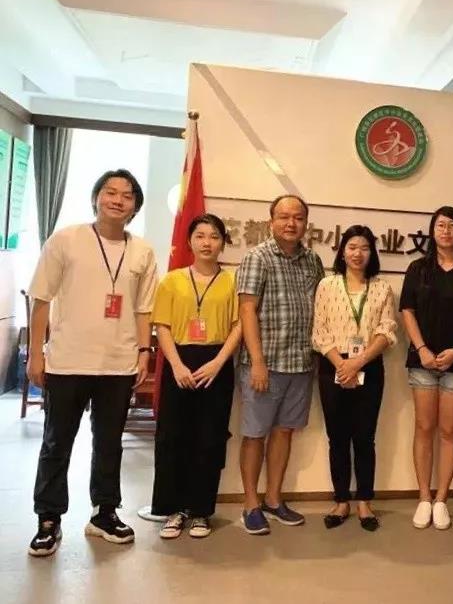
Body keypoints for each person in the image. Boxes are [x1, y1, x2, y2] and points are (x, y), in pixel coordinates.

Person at [26, 169, 158, 557]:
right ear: (97, 197)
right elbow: (41, 299)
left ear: (135, 206)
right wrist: (36, 353)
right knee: (57, 442)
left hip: (118, 363)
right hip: (67, 360)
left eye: (127, 195)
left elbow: (144, 309)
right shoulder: (66, 239)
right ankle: (48, 518)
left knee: (109, 443)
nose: (118, 200)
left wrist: (144, 352)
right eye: (110, 192)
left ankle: (104, 512)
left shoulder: (142, 252)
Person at [236, 194, 324, 535]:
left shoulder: (313, 260)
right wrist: (257, 361)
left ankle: (274, 499)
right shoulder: (257, 257)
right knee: (255, 434)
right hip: (265, 364)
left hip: (300, 363)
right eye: (284, 217)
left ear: (306, 223)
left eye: (298, 218)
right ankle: (250, 504)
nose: (291, 223)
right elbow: (246, 310)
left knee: (284, 432)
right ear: (271, 221)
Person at [150, 214, 243, 539]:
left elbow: (239, 326)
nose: (207, 242)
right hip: (179, 361)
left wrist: (218, 362)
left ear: (223, 243)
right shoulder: (172, 280)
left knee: (210, 438)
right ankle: (173, 510)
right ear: (189, 241)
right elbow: (161, 325)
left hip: (216, 362)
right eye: (200, 235)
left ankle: (201, 510)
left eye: (214, 236)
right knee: (173, 436)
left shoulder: (232, 281)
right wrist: (176, 365)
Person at [400, 206, 453, 530]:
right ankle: (424, 497)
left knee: (449, 430)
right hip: (422, 361)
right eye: (440, 226)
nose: (446, 231)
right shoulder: (418, 268)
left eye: (452, 225)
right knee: (424, 427)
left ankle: (441, 500)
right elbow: (407, 310)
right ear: (432, 231)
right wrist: (422, 349)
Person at [312, 226, 397, 531]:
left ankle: (364, 502)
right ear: (342, 251)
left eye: (364, 247)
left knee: (364, 437)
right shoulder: (327, 285)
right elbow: (319, 332)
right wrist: (342, 365)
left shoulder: (382, 288)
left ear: (372, 252)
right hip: (332, 365)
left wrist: (358, 362)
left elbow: (387, 330)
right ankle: (340, 501)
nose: (357, 253)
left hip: (369, 366)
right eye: (351, 247)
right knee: (337, 437)